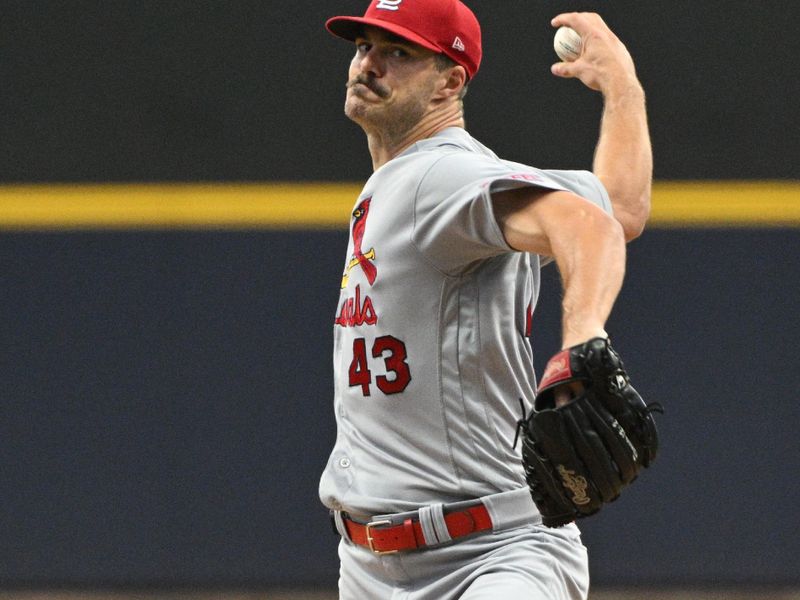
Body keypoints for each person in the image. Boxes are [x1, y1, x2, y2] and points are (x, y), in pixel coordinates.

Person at [319, 0, 652, 598]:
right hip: (373, 568)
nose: (370, 64)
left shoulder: (432, 177)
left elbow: (590, 226)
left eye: (399, 53)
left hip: (491, 558)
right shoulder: (444, 179)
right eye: (365, 46)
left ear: (450, 81)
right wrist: (623, 87)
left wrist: (581, 344)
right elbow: (621, 207)